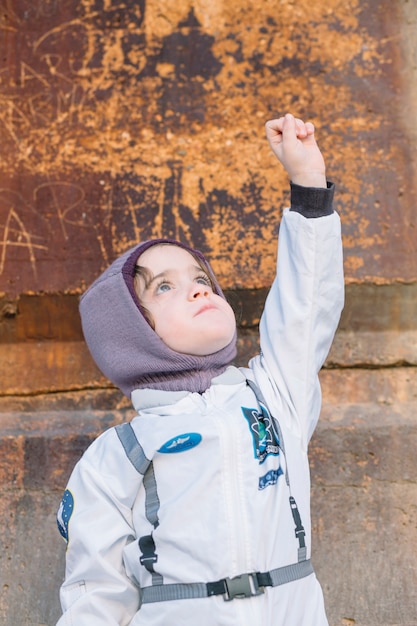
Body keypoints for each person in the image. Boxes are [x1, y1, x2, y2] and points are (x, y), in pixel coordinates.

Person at [56, 113, 344, 626]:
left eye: (201, 277)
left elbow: (307, 306)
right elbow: (95, 591)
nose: (198, 287)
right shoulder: (116, 455)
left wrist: (308, 187)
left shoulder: (275, 396)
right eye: (163, 286)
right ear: (128, 332)